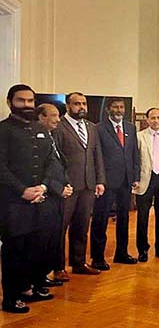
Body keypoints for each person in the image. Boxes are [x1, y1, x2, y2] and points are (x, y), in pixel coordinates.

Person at [0, 85, 66, 313]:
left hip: (41, 198)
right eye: (21, 101)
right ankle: (11, 297)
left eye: (30, 101)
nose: (27, 105)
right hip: (14, 203)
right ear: (10, 102)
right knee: (14, 251)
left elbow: (51, 161)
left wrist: (44, 186)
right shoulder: (3, 130)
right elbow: (1, 167)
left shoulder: (40, 128)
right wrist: (22, 190)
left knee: (37, 248)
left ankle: (31, 288)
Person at [52, 92, 106, 276]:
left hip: (88, 185)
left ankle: (79, 263)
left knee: (82, 226)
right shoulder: (59, 127)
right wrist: (60, 184)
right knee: (61, 227)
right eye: (77, 104)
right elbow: (54, 159)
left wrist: (100, 180)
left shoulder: (91, 127)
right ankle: (58, 268)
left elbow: (96, 155)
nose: (81, 107)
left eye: (84, 103)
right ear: (68, 106)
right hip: (68, 187)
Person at [90, 99, 140, 269]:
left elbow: (134, 154)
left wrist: (135, 176)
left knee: (124, 219)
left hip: (126, 181)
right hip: (106, 182)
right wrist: (99, 179)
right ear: (108, 109)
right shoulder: (98, 128)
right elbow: (96, 157)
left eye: (121, 107)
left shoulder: (131, 128)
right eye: (115, 107)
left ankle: (122, 253)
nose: (119, 110)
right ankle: (97, 258)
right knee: (100, 219)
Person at [35, 103, 70, 288]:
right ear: (41, 117)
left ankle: (42, 277)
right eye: (54, 115)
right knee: (41, 240)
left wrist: (66, 184)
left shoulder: (52, 136)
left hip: (57, 195)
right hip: (45, 196)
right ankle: (37, 279)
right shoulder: (36, 138)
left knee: (52, 238)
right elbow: (40, 171)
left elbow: (59, 165)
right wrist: (58, 188)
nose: (58, 119)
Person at [134, 107, 159, 261]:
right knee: (142, 217)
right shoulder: (139, 137)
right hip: (145, 181)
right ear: (147, 119)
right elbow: (135, 161)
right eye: (152, 118)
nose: (156, 121)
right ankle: (142, 250)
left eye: (158, 118)